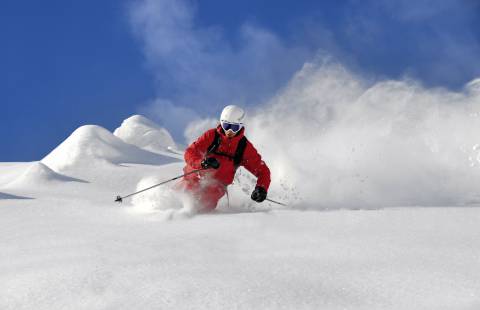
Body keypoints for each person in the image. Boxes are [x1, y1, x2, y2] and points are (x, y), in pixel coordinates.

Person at [179, 105, 271, 211]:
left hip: (216, 187)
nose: (230, 131)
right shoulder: (211, 136)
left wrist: (262, 188)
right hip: (194, 177)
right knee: (181, 194)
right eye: (226, 126)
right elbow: (190, 152)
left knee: (203, 208)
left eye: (234, 127)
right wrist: (202, 162)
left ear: (240, 126)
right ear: (221, 123)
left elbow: (263, 171)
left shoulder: (243, 147)